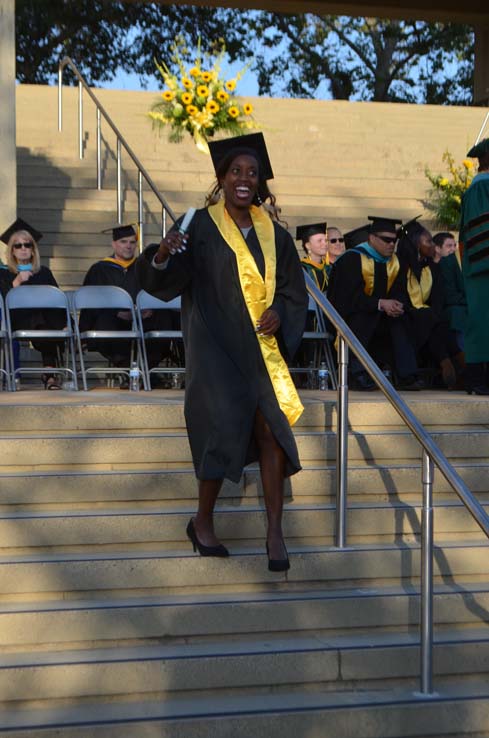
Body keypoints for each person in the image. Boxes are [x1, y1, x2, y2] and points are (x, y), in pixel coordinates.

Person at [136, 132, 308, 572]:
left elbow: (294, 291)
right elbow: (162, 282)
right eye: (236, 172)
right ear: (222, 178)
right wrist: (161, 254)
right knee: (218, 433)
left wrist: (281, 314)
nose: (244, 179)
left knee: (272, 432)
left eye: (252, 173)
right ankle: (203, 520)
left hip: (260, 354)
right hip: (214, 351)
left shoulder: (278, 236)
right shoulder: (198, 225)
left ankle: (274, 531)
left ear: (260, 183)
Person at [327, 216, 421, 391]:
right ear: (371, 238)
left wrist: (396, 305)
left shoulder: (396, 263)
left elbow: (400, 292)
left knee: (405, 318)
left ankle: (405, 375)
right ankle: (356, 373)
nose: (391, 244)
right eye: (386, 240)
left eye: (394, 240)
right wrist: (379, 304)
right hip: (350, 317)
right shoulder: (351, 260)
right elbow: (346, 299)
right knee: (365, 316)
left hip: (381, 319)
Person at [80, 223, 174, 388]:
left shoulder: (144, 267)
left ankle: (147, 369)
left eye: (132, 242)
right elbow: (90, 301)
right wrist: (117, 313)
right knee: (104, 320)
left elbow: (157, 291)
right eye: (123, 242)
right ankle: (126, 369)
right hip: (115, 321)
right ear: (114, 244)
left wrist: (149, 307)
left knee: (164, 316)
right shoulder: (99, 269)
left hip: (144, 320)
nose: (128, 246)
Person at [397, 218, 463, 389]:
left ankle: (449, 365)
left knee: (439, 323)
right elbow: (400, 299)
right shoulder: (398, 267)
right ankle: (454, 365)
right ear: (415, 244)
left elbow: (438, 299)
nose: (433, 245)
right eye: (428, 241)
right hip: (406, 318)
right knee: (431, 323)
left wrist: (431, 314)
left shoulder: (432, 268)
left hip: (428, 319)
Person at [0, 218, 66, 389]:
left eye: (27, 245)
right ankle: (49, 373)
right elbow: (4, 302)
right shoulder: (5, 274)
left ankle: (49, 373)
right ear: (12, 251)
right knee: (43, 319)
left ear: (33, 249)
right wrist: (17, 282)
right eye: (18, 245)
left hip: (45, 321)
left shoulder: (43, 272)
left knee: (46, 318)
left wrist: (67, 323)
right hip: (15, 320)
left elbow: (58, 301)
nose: (23, 249)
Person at [459, 137, 489, 394]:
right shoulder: (481, 188)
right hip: (483, 267)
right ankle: (477, 379)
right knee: (481, 320)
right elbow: (481, 231)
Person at [297, 222, 329, 291]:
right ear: (308, 245)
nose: (325, 244)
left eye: (325, 240)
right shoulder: (301, 270)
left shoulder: (329, 268)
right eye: (319, 241)